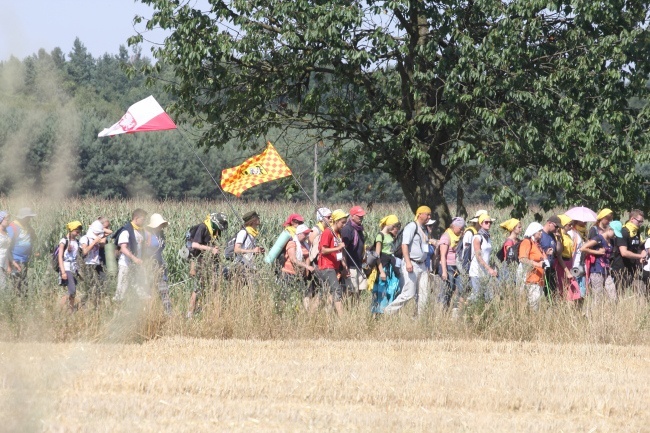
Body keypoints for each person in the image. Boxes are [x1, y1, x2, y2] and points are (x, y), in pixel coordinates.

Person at [384, 206, 432, 316]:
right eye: (427, 214)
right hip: (412, 264)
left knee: (424, 293)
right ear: (420, 214)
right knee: (409, 293)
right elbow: (404, 245)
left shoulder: (424, 228)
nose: (429, 217)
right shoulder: (411, 227)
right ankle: (388, 312)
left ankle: (420, 319)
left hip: (422, 265)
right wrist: (408, 262)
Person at [187, 212, 228, 317]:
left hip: (212, 262)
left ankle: (207, 310)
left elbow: (214, 244)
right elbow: (195, 244)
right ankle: (190, 313)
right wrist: (211, 249)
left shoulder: (216, 230)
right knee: (198, 288)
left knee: (214, 285)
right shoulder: (203, 227)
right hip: (201, 261)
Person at [315, 209, 349, 316]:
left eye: (345, 222)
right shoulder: (328, 232)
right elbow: (323, 250)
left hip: (334, 266)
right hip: (326, 266)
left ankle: (311, 315)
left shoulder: (338, 234)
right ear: (336, 221)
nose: (344, 225)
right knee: (337, 290)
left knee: (322, 294)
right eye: (342, 222)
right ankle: (342, 316)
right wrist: (338, 247)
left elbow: (339, 253)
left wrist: (344, 267)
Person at [113, 208, 149, 302]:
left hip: (136, 265)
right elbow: (123, 248)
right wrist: (134, 258)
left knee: (141, 288)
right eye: (143, 219)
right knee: (121, 290)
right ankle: (117, 312)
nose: (144, 221)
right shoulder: (126, 231)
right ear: (136, 218)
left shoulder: (141, 231)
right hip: (126, 264)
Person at [371, 214, 401, 314]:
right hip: (383, 266)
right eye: (393, 225)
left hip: (391, 267)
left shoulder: (390, 235)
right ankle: (378, 312)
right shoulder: (380, 236)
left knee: (390, 290)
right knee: (381, 291)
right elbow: (377, 255)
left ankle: (388, 311)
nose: (395, 228)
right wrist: (381, 271)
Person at [612, 210, 646, 292]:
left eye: (642, 222)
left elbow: (638, 247)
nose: (640, 224)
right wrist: (640, 256)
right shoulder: (623, 232)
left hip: (633, 268)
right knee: (620, 293)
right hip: (621, 269)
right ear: (632, 219)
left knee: (640, 291)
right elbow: (624, 252)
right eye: (639, 221)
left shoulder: (636, 232)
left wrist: (642, 254)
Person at [145, 213, 172, 315]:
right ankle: (148, 313)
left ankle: (168, 313)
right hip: (150, 264)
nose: (161, 227)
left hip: (160, 264)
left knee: (164, 289)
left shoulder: (161, 234)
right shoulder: (147, 234)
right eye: (159, 225)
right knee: (149, 291)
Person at [280, 224, 314, 306]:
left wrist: (307, 272)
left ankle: (305, 312)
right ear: (298, 234)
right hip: (289, 274)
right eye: (305, 234)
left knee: (304, 295)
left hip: (300, 275)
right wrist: (307, 266)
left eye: (307, 234)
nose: (307, 236)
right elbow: (293, 259)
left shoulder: (305, 245)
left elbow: (307, 257)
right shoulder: (292, 243)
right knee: (286, 296)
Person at [6, 207, 37, 296]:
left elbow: (34, 238)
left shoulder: (27, 226)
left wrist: (32, 233)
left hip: (24, 260)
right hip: (15, 259)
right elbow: (7, 246)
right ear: (23, 217)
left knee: (24, 283)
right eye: (28, 217)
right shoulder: (12, 227)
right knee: (16, 283)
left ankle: (23, 303)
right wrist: (10, 263)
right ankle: (16, 304)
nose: (29, 219)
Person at [581, 226, 616, 301]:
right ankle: (595, 312)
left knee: (613, 294)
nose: (615, 235)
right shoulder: (598, 238)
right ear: (609, 230)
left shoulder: (611, 240)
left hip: (606, 270)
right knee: (598, 296)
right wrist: (597, 252)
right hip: (596, 269)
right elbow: (583, 248)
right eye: (614, 233)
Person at [438, 217, 465, 311]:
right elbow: (442, 255)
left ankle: (453, 310)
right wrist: (444, 272)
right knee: (446, 290)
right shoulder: (446, 237)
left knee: (457, 289)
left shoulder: (461, 237)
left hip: (457, 267)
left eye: (463, 228)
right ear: (454, 226)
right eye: (460, 228)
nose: (461, 230)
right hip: (447, 267)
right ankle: (442, 311)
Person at [306, 207, 332, 309]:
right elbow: (312, 248)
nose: (331, 219)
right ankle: (310, 308)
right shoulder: (316, 230)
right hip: (316, 263)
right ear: (321, 218)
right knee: (317, 287)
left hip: (323, 262)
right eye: (328, 217)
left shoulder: (327, 229)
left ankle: (311, 307)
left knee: (316, 287)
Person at [468, 213, 498, 303]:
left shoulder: (488, 237)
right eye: (486, 222)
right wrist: (489, 269)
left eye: (490, 222)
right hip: (476, 270)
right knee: (477, 295)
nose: (488, 224)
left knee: (486, 296)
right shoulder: (477, 237)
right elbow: (478, 256)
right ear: (481, 223)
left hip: (485, 271)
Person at [79, 220, 108, 307]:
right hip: (88, 265)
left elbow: (109, 232)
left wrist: (100, 233)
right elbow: (85, 251)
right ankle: (84, 305)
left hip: (97, 264)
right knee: (90, 287)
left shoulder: (97, 237)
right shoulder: (85, 238)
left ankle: (98, 304)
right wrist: (94, 242)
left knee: (102, 284)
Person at [518, 222, 546, 310]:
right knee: (534, 307)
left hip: (538, 279)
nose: (541, 233)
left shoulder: (536, 244)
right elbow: (522, 258)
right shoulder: (526, 242)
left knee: (537, 306)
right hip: (531, 279)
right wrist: (538, 264)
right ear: (533, 232)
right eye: (539, 231)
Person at [341, 205, 367, 299]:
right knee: (351, 290)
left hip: (359, 264)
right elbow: (343, 249)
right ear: (352, 216)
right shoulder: (347, 229)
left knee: (360, 289)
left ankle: (355, 308)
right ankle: (347, 308)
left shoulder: (359, 229)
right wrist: (344, 266)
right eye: (359, 216)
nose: (361, 218)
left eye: (362, 216)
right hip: (350, 265)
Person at [58, 221, 83, 311]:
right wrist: (63, 272)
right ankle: (60, 309)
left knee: (72, 291)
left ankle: (70, 310)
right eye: (76, 231)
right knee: (72, 290)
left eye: (79, 232)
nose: (78, 233)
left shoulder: (77, 241)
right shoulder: (64, 241)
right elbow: (60, 257)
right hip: (66, 267)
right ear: (71, 230)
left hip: (74, 268)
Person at [556, 214, 581, 302]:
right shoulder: (559, 236)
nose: (571, 226)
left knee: (572, 286)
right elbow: (559, 255)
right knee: (563, 286)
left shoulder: (569, 236)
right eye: (569, 225)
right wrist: (566, 270)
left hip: (570, 261)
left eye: (572, 224)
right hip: (562, 263)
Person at [540, 215, 562, 297]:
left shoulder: (552, 235)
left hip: (551, 268)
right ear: (549, 223)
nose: (557, 229)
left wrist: (559, 239)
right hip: (543, 268)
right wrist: (545, 254)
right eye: (556, 227)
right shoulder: (540, 234)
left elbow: (558, 252)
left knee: (552, 292)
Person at [497, 218, 522, 283]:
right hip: (509, 267)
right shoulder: (509, 242)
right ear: (513, 228)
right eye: (519, 227)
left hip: (515, 267)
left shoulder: (518, 240)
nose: (520, 229)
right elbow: (511, 255)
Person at [0, 211, 17, 293]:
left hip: (5, 263)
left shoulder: (6, 233)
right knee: (3, 287)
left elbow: (7, 251)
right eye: (6, 219)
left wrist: (13, 262)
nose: (8, 221)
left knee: (7, 287)